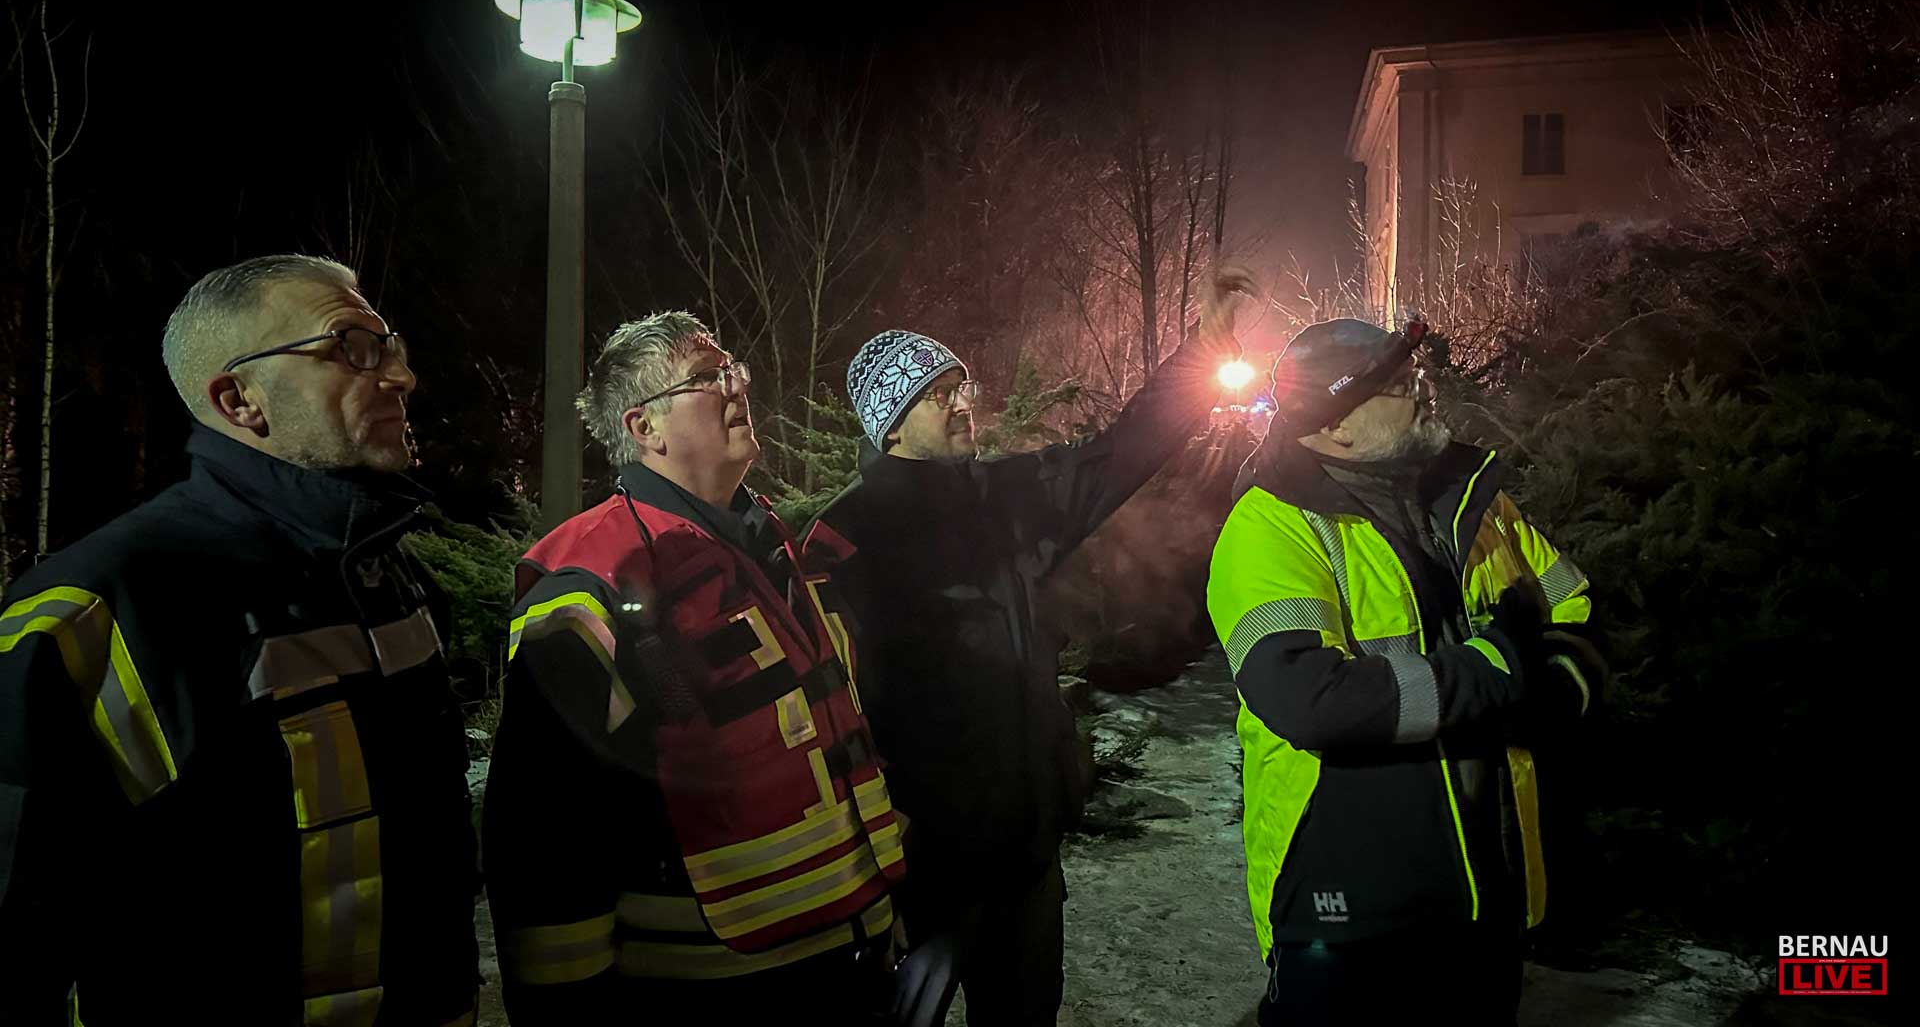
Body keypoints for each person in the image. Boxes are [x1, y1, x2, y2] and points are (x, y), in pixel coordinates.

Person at [0, 254, 479, 1025]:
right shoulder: (95, 610)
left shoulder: (389, 571)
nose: (399, 376)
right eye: (353, 347)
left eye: (390, 346)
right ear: (240, 399)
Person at [817, 268, 1257, 1026]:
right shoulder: (848, 538)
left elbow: (1121, 451)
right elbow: (827, 711)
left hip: (1023, 849)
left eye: (963, 388)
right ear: (890, 422)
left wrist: (1203, 351)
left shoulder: (1003, 499)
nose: (963, 404)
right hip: (921, 863)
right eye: (938, 394)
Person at [483, 311, 904, 1025]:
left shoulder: (770, 543)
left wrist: (885, 907)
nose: (739, 384)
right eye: (709, 376)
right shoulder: (595, 577)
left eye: (733, 367)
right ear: (645, 428)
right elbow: (545, 830)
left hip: (851, 958)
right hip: (714, 989)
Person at [1205, 318, 1609, 1025]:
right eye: (1394, 387)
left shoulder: (1475, 500)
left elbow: (1573, 613)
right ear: (1334, 428)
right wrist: (1499, 670)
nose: (1423, 390)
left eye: (1413, 376)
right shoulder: (1269, 526)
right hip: (1346, 900)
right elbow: (1312, 701)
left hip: (1491, 882)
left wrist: (1552, 690)